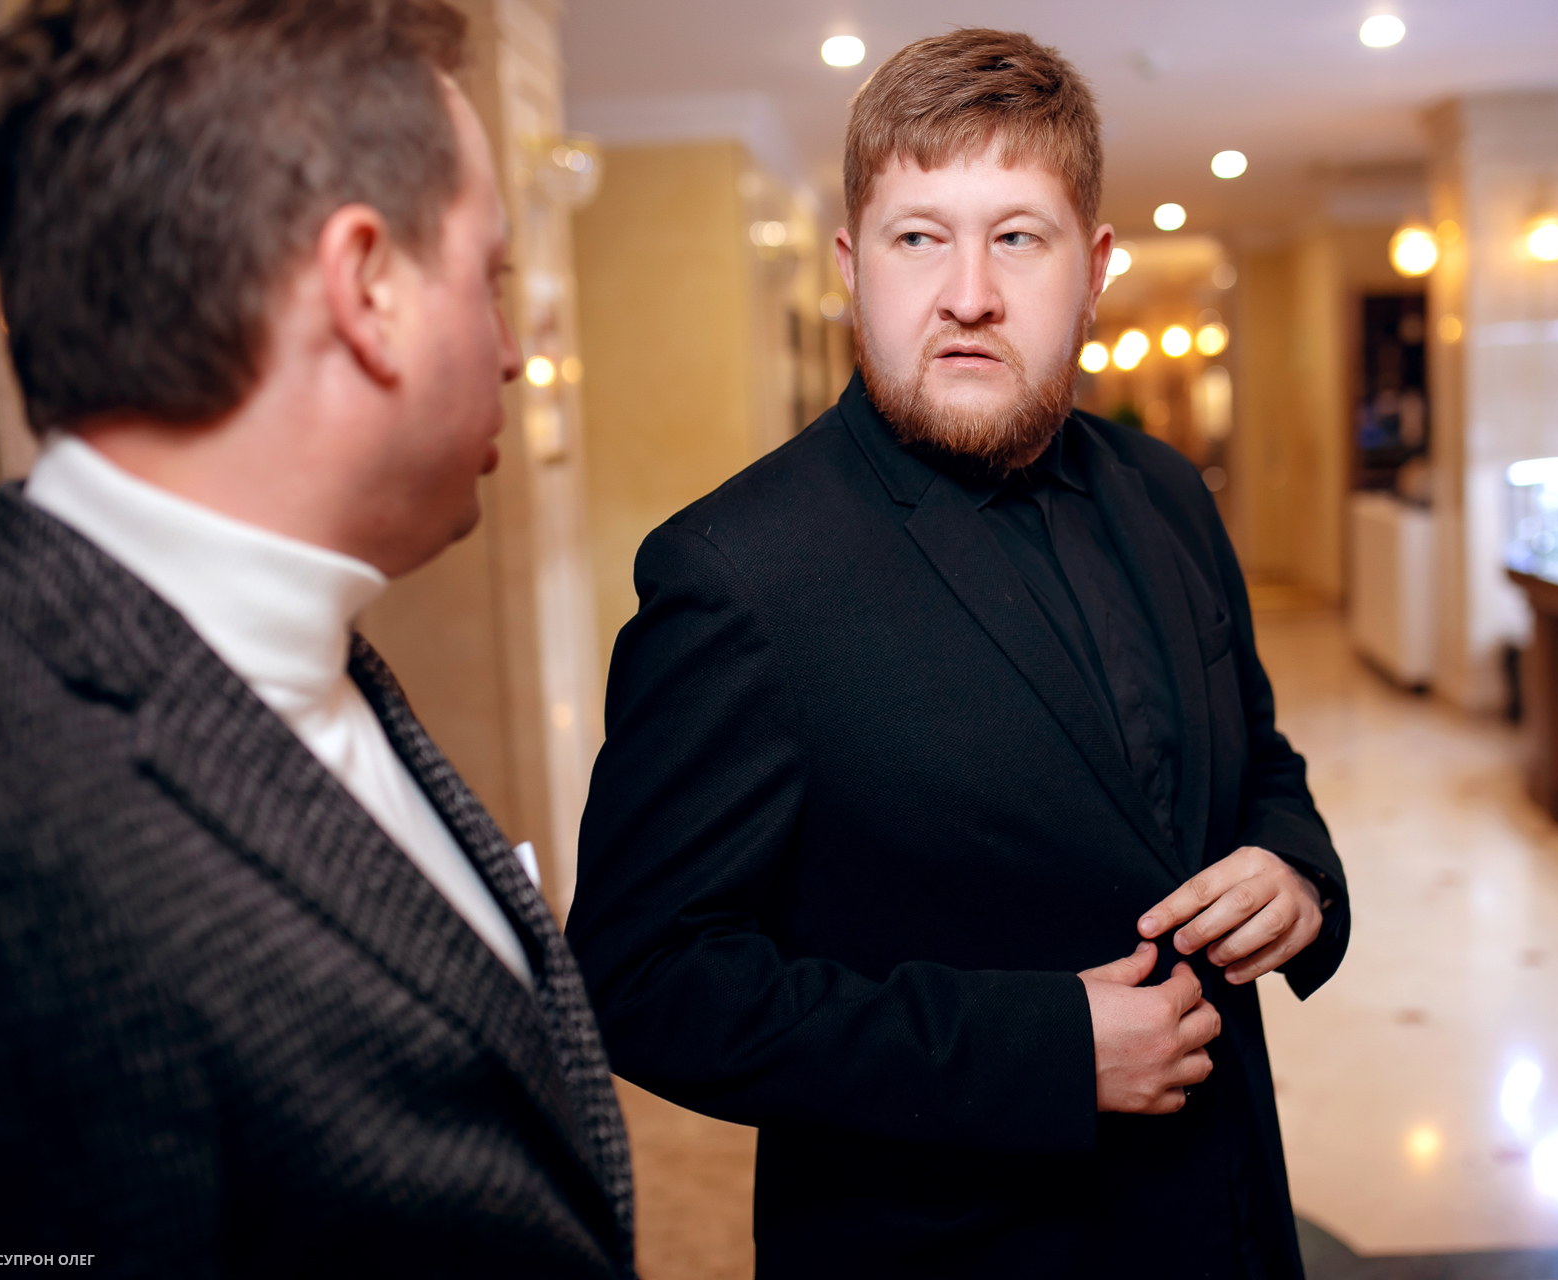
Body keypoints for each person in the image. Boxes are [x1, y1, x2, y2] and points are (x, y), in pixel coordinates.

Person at [566, 28, 1348, 1280]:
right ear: (850, 266)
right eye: (919, 236)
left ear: (1095, 268)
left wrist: (1295, 869)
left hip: (1230, 1217)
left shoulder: (1168, 492)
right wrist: (1043, 1050)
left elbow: (1258, 754)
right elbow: (644, 977)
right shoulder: (738, 571)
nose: (969, 292)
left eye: (1019, 237)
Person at [0, 3, 634, 1274]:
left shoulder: (299, 639)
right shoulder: (26, 827)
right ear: (366, 288)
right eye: (489, 280)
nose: (513, 356)